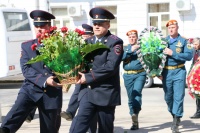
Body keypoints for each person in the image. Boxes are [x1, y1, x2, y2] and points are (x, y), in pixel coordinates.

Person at [0, 10, 63, 133]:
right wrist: (44, 80)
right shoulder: (27, 46)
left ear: (49, 27)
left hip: (51, 94)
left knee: (50, 129)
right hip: (30, 90)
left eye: (42, 26)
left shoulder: (60, 46)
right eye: (36, 26)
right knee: (8, 123)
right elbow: (26, 69)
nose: (39, 29)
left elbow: (66, 67)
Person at [69, 7, 123, 133]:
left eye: (100, 24)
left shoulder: (115, 42)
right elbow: (80, 63)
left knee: (105, 129)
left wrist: (87, 77)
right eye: (95, 23)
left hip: (105, 94)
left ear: (108, 25)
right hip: (87, 92)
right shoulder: (87, 42)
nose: (97, 26)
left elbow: (110, 67)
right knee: (78, 127)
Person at [60, 24, 98, 133]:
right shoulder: (79, 47)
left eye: (88, 35)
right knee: (84, 108)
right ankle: (70, 112)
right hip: (81, 79)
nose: (86, 38)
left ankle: (90, 129)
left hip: (93, 81)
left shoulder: (95, 46)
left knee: (90, 110)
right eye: (84, 36)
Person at [161, 19, 193, 133]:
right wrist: (158, 73)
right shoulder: (163, 41)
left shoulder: (184, 41)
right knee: (168, 97)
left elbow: (189, 56)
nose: (171, 29)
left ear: (177, 28)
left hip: (179, 71)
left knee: (178, 97)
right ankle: (175, 114)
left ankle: (176, 121)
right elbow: (157, 57)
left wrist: (173, 53)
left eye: (173, 27)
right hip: (166, 72)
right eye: (169, 28)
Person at [122, 30, 146, 130]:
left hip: (140, 74)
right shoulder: (125, 48)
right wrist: (131, 50)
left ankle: (135, 111)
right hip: (128, 75)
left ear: (137, 38)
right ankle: (134, 119)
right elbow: (121, 58)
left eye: (134, 37)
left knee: (137, 92)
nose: (132, 38)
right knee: (130, 97)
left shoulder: (142, 47)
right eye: (130, 37)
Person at [189, 37, 200, 119]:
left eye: (196, 44)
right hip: (195, 74)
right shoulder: (195, 51)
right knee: (197, 94)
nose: (194, 46)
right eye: (194, 44)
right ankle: (198, 112)